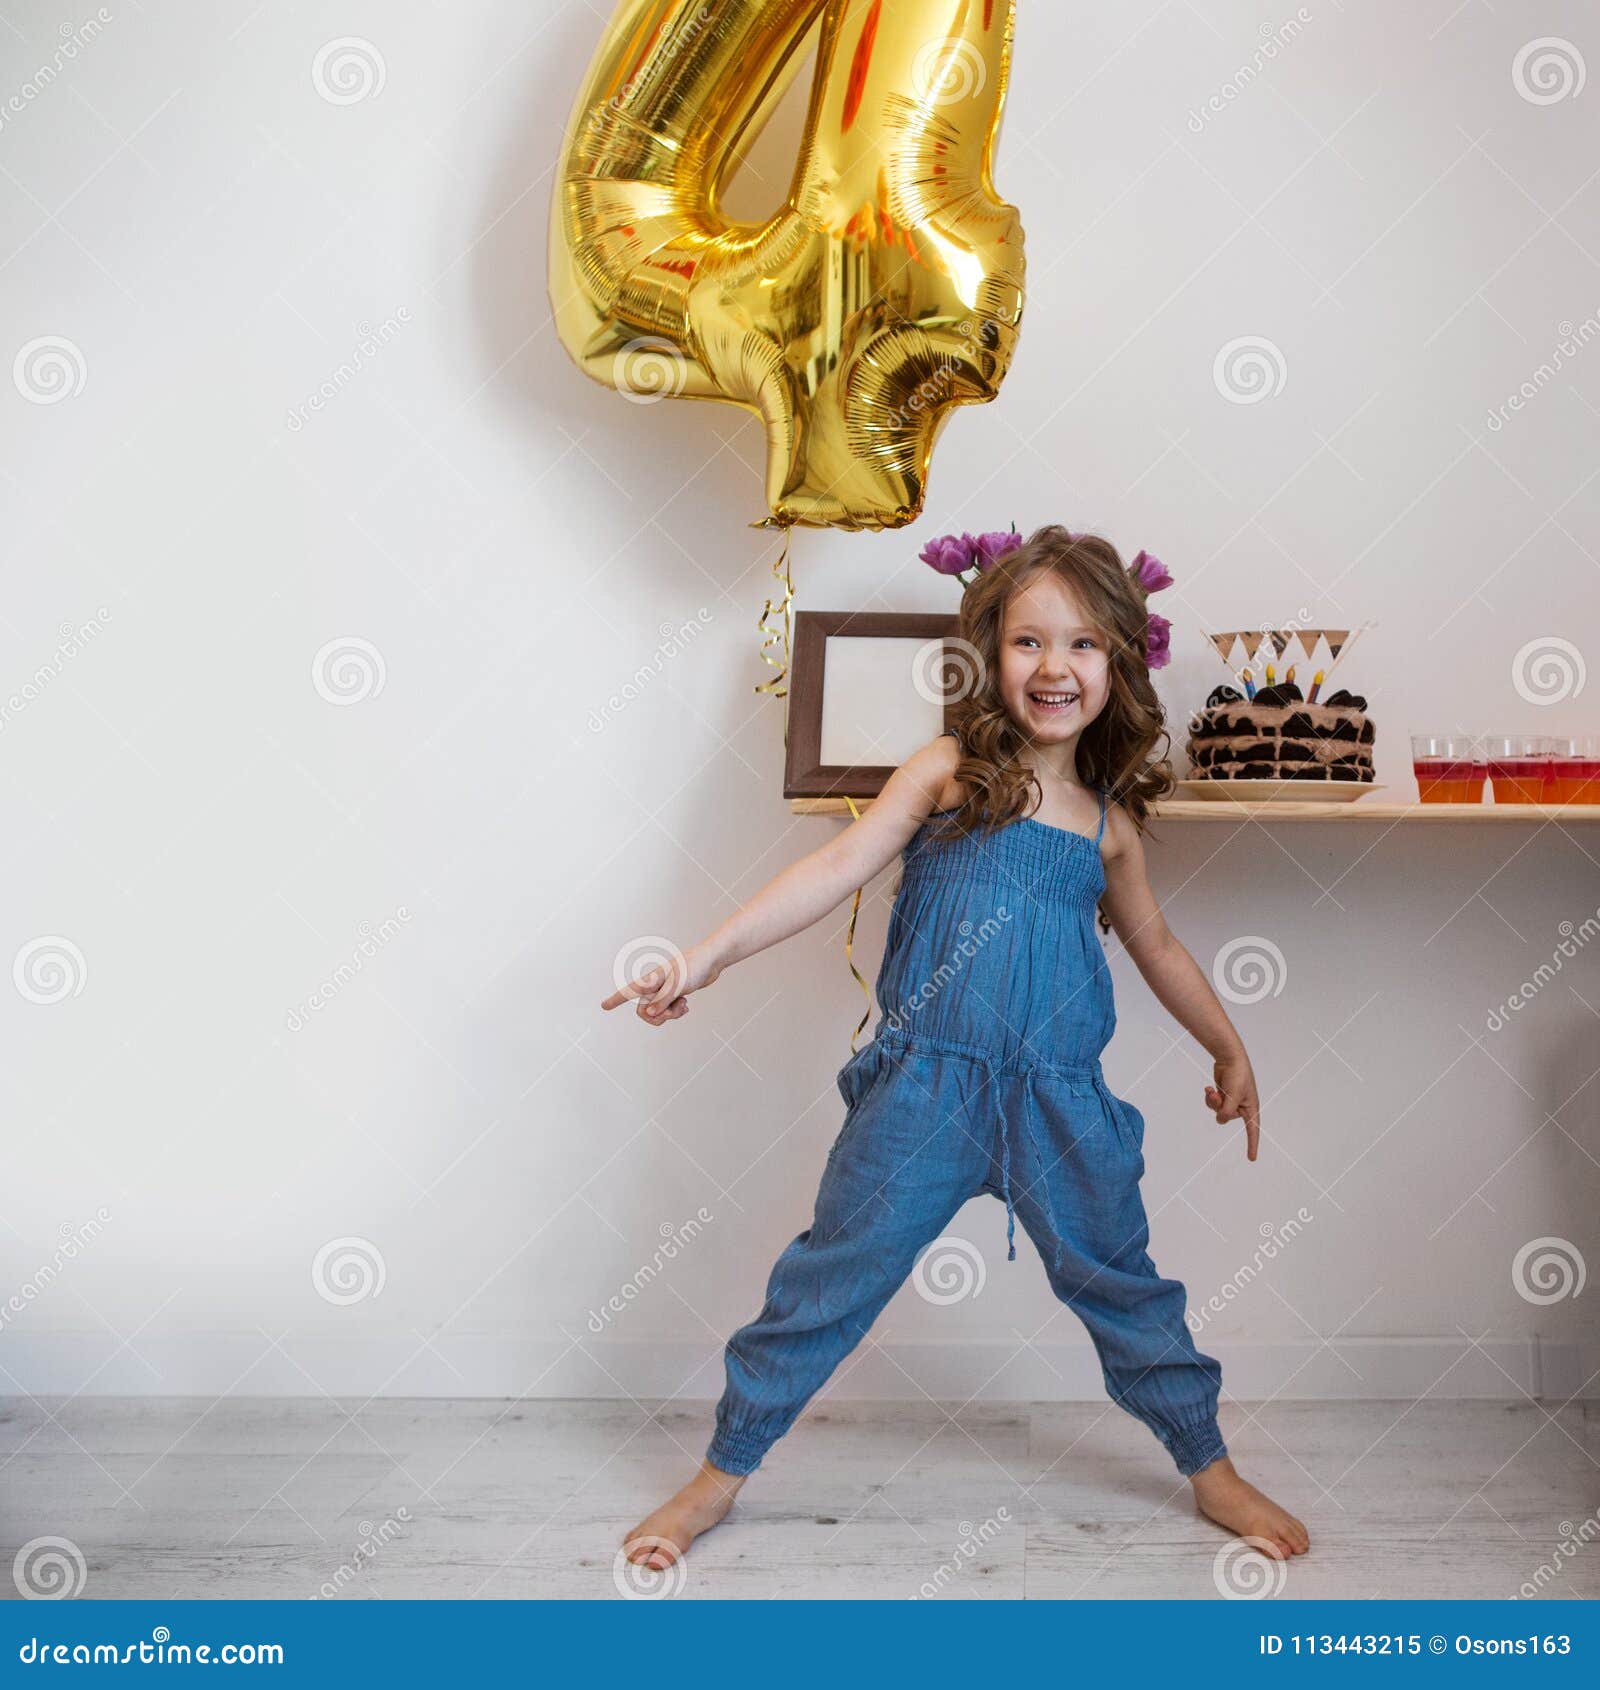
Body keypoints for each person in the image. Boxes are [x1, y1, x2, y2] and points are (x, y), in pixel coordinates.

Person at [600, 524, 1309, 1572]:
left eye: (1080, 645)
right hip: (922, 1092)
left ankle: (1206, 1464)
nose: (1054, 667)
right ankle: (718, 1473)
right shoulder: (947, 773)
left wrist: (1228, 1044)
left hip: (1061, 1106)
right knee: (828, 1278)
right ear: (991, 654)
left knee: (1123, 1282)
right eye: (1028, 642)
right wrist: (701, 959)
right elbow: (834, 868)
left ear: (1117, 662)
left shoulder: (1106, 825)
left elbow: (1155, 944)